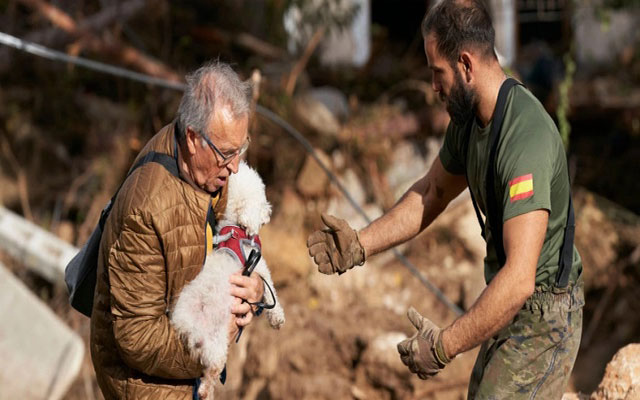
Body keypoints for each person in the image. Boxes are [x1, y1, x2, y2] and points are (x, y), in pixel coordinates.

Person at [307, 1, 584, 398]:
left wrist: (443, 346)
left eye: (438, 73)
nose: (433, 87)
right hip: (509, 298)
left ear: (466, 65)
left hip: (543, 315)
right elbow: (431, 192)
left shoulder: (526, 139)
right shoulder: (469, 120)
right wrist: (358, 245)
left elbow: (521, 278)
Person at [90, 61, 265, 399]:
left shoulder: (208, 169)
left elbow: (235, 239)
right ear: (193, 137)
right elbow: (136, 337)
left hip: (189, 364)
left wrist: (253, 292)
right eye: (227, 153)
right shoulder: (146, 210)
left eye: (240, 149)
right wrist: (213, 342)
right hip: (146, 386)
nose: (236, 166)